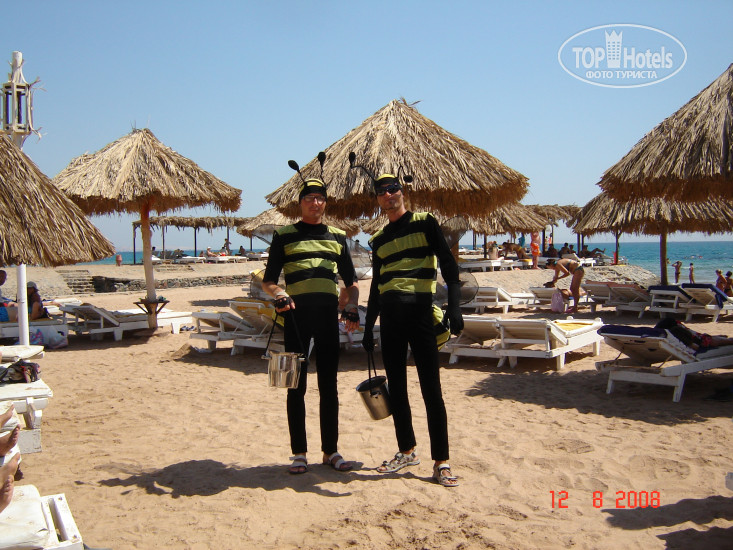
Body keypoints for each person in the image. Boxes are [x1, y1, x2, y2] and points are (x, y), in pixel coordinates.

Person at [362, 171, 463, 488]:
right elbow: (377, 286)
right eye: (382, 192)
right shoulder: (379, 239)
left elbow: (448, 264)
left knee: (431, 390)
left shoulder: (425, 222)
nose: (388, 195)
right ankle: (406, 451)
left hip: (420, 314)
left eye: (392, 189)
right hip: (390, 320)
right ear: (377, 199)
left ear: (402, 192)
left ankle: (442, 462)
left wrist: (455, 306)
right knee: (398, 390)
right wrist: (368, 326)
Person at [262, 176, 359, 475]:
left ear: (325, 203)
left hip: (328, 319)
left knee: (329, 386)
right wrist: (279, 293)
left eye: (319, 198)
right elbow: (269, 281)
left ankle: (331, 451)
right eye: (309, 198)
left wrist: (351, 306)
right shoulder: (284, 235)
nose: (314, 203)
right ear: (300, 203)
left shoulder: (338, 236)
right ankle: (299, 453)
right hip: (295, 319)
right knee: (295, 386)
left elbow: (351, 282)